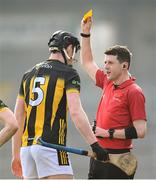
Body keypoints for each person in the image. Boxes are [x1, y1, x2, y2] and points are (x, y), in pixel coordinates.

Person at [11, 30, 109, 179]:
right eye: (74, 50)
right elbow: (76, 112)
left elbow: (18, 116)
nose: (74, 55)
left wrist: (15, 154)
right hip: (51, 146)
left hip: (27, 149)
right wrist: (94, 144)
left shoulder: (28, 74)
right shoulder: (68, 74)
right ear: (68, 47)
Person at [80, 17, 147, 179]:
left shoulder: (134, 92)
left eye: (110, 63)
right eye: (105, 62)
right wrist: (85, 33)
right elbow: (87, 62)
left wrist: (107, 132)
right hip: (98, 154)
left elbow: (141, 131)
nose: (105, 66)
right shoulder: (107, 82)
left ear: (124, 66)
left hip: (118, 159)